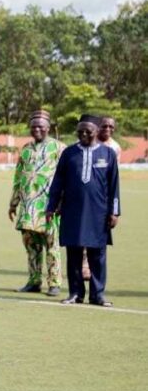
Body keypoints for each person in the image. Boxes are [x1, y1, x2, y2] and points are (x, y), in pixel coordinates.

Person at [46, 114, 121, 307]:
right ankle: (75, 293)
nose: (84, 134)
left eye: (88, 131)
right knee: (74, 253)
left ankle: (98, 295)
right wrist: (51, 207)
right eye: (80, 131)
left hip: (99, 212)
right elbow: (57, 183)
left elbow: (114, 186)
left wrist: (114, 212)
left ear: (97, 131)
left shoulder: (108, 154)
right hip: (72, 210)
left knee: (98, 255)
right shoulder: (69, 153)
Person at [8, 110, 65, 296]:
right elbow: (18, 177)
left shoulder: (59, 148)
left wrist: (62, 202)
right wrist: (13, 203)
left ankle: (55, 283)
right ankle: (34, 281)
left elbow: (66, 178)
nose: (37, 129)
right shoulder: (25, 149)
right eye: (33, 127)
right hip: (27, 207)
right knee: (31, 247)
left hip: (49, 207)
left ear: (48, 128)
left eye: (41, 126)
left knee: (52, 245)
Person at [80, 116, 122, 280]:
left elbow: (113, 177)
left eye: (111, 127)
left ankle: (94, 268)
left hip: (102, 198)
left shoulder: (114, 148)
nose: (107, 130)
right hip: (85, 196)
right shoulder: (88, 141)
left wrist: (114, 208)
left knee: (99, 236)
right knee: (83, 232)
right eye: (104, 126)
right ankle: (84, 266)